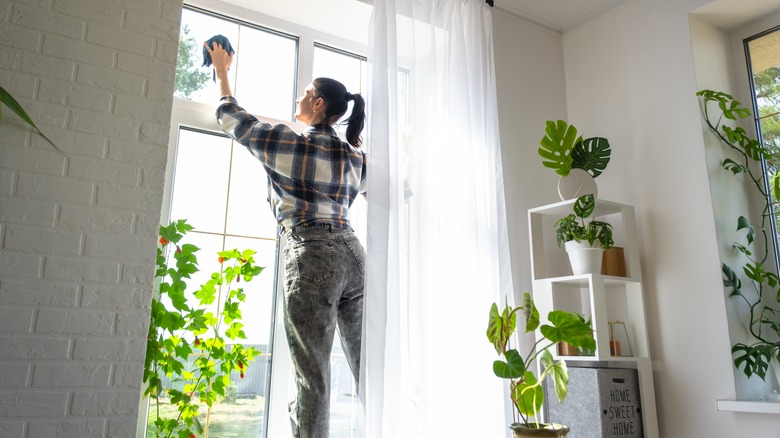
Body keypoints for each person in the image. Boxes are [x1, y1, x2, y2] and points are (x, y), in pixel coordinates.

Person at [204, 41, 367, 438]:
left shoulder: (291, 143)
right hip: (354, 257)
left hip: (312, 255)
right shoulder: (355, 158)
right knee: (368, 368)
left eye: (305, 93)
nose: (299, 97)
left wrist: (222, 71)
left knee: (314, 377)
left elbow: (232, 117)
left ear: (318, 104)